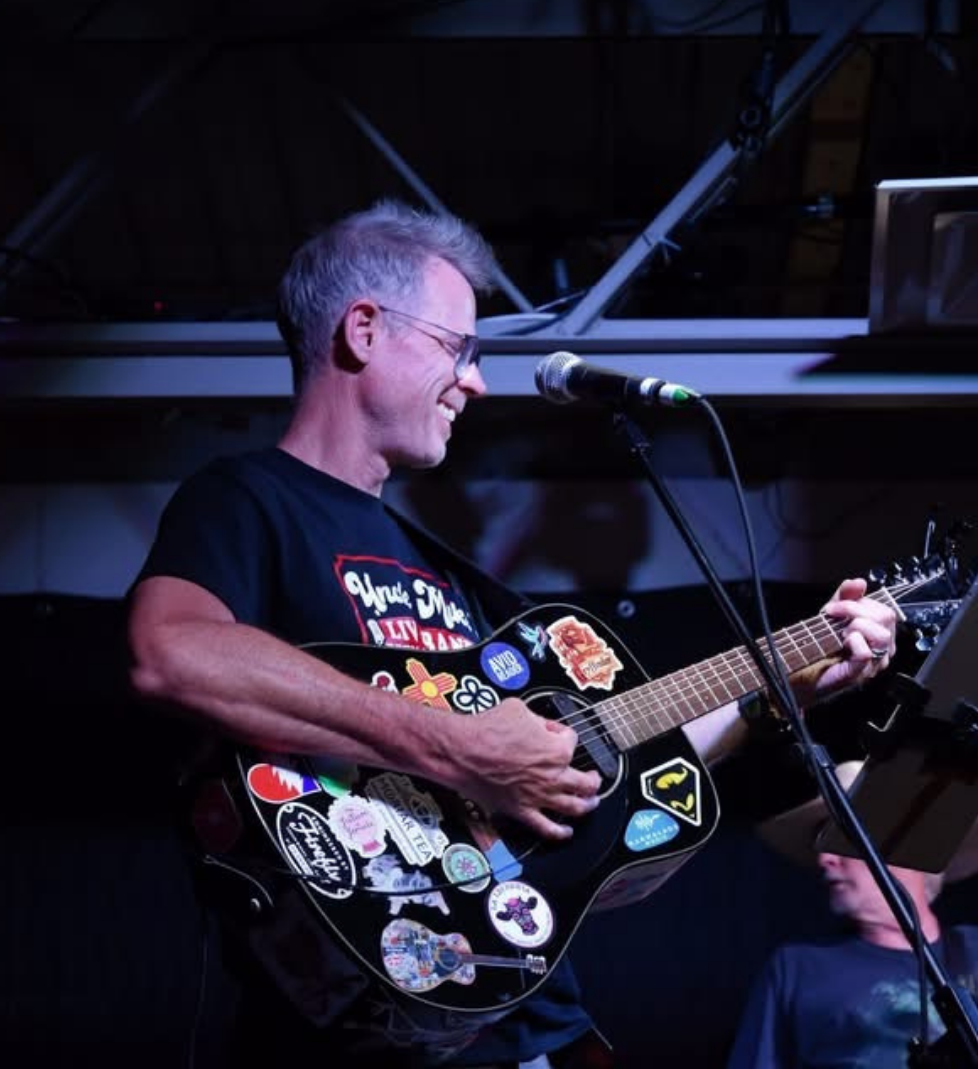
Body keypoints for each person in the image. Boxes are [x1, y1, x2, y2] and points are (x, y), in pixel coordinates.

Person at [125, 198, 900, 1069]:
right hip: (355, 1022)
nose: (477, 381)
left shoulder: (454, 578)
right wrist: (457, 746)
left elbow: (592, 760)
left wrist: (783, 685)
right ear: (364, 330)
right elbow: (172, 652)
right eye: (459, 348)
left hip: (526, 1019)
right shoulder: (248, 499)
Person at [727, 760, 978, 1069]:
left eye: (838, 836)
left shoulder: (973, 948)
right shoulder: (798, 968)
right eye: (820, 842)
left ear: (903, 841)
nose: (824, 858)